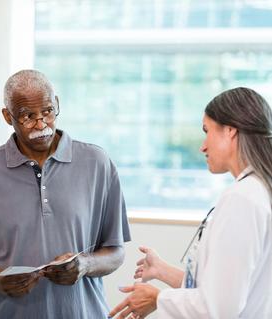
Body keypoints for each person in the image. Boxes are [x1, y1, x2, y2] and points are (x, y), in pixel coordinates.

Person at [0, 69, 131, 318]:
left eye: (47, 111)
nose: (41, 124)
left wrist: (85, 265)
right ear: (7, 116)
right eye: (27, 116)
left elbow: (116, 251)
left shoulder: (98, 163)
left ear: (57, 104)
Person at [109, 87, 272, 319]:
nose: (203, 146)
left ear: (230, 130)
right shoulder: (260, 190)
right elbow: (228, 287)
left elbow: (220, 308)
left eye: (207, 131)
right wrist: (163, 271)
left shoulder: (242, 198)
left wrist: (157, 298)